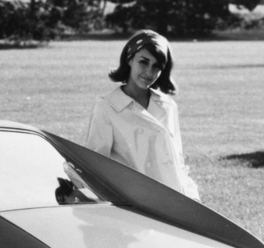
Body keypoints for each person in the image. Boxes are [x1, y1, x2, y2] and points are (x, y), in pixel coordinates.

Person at [84, 30, 200, 201]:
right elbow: (94, 166)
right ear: (129, 59)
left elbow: (178, 162)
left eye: (156, 66)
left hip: (175, 200)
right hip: (135, 203)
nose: (149, 72)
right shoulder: (107, 108)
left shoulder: (168, 106)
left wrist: (192, 196)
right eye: (143, 62)